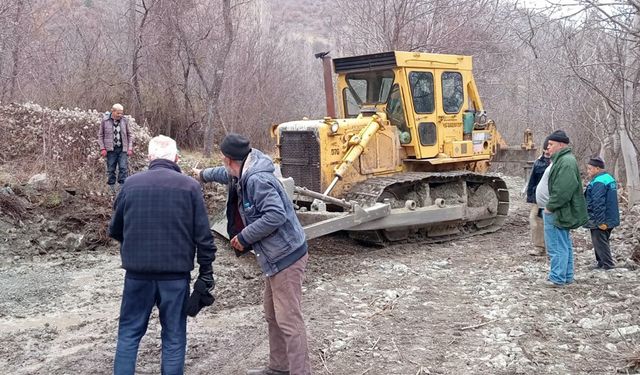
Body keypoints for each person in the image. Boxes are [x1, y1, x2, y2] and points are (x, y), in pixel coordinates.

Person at [194, 133, 311, 375]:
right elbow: (222, 173)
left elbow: (275, 215)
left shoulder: (257, 180)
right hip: (275, 257)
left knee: (289, 320)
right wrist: (201, 175)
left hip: (286, 256)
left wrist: (245, 237)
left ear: (229, 159)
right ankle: (279, 368)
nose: (223, 165)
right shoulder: (244, 167)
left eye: (223, 160)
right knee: (272, 315)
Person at [109, 135, 216, 374]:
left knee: (128, 334)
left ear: (149, 158)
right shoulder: (190, 187)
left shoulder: (130, 185)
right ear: (177, 158)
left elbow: (115, 230)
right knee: (174, 337)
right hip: (175, 278)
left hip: (137, 276)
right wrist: (206, 273)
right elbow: (204, 238)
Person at [541, 130, 588, 287]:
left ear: (561, 145)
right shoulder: (564, 160)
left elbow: (563, 189)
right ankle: (566, 276)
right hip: (561, 210)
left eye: (551, 144)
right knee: (563, 243)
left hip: (558, 211)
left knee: (556, 246)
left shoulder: (565, 162)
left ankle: (557, 278)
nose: (548, 147)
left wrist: (550, 206)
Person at [584, 156, 620, 270]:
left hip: (600, 218)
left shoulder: (599, 182)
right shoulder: (608, 178)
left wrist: (600, 222)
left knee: (600, 241)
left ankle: (608, 265)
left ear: (598, 169)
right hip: (610, 217)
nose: (588, 171)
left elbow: (598, 203)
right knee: (601, 241)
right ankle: (600, 263)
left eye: (590, 169)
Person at [98, 103, 133, 194]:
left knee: (123, 168)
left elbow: (130, 135)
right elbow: (100, 135)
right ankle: (111, 187)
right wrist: (103, 148)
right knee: (111, 168)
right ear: (112, 111)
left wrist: (129, 148)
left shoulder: (125, 120)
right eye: (118, 113)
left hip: (122, 149)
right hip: (110, 150)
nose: (120, 115)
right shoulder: (105, 120)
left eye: (121, 113)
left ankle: (122, 187)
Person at [525, 138, 551, 256]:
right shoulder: (538, 162)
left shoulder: (558, 163)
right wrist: (531, 197)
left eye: (548, 150)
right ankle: (539, 246)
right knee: (534, 220)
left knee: (550, 222)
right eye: (545, 150)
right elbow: (532, 180)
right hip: (538, 198)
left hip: (552, 199)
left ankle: (550, 247)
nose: (547, 153)